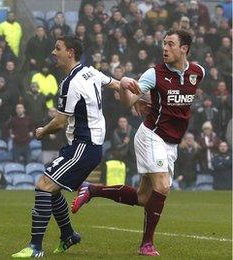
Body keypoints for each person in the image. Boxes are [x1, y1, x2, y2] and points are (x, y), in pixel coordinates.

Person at [72, 29, 205, 256]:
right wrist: (126, 90)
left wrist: (149, 100)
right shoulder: (154, 74)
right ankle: (147, 244)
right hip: (151, 135)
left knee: (144, 198)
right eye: (164, 43)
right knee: (163, 186)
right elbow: (128, 101)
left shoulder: (198, 72)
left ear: (185, 49)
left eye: (170, 44)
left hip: (171, 142)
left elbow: (180, 96)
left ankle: (91, 190)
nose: (165, 48)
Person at [11, 36, 138, 258]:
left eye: (57, 48)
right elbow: (117, 85)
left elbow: (59, 122)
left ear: (70, 52)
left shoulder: (70, 84)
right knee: (53, 190)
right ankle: (68, 235)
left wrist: (42, 131)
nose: (53, 52)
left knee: (43, 185)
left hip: (84, 146)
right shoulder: (91, 72)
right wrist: (134, 99)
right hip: (85, 146)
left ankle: (35, 248)